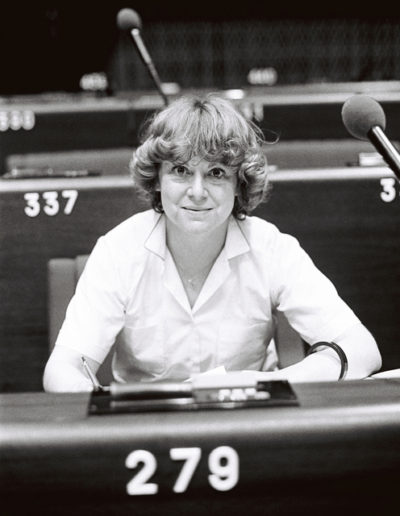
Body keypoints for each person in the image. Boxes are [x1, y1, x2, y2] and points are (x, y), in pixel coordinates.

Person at [43, 94, 382, 392]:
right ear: (157, 179)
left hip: (252, 422)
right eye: (180, 170)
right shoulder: (117, 250)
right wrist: (95, 400)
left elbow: (362, 349)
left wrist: (267, 383)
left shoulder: (272, 248)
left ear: (239, 183)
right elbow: (63, 369)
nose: (197, 191)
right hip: (143, 429)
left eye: (217, 172)